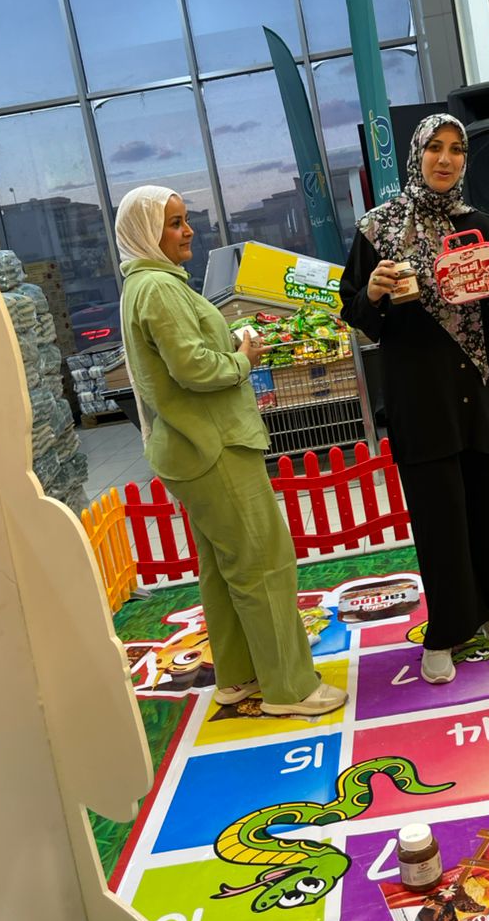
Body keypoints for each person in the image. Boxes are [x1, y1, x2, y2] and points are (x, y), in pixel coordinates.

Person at [115, 185, 347, 717]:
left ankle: (238, 676)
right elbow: (194, 368)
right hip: (213, 445)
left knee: (224, 570)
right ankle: (290, 688)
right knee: (264, 564)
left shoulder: (144, 285)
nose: (187, 230)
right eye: (174, 223)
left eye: (184, 219)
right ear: (147, 233)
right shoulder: (159, 288)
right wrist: (243, 358)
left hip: (192, 448)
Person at [339, 114, 489, 685]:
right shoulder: (378, 228)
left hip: (474, 384)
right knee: (439, 517)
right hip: (420, 392)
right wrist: (372, 294)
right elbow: (356, 313)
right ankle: (447, 630)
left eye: (457, 149)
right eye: (435, 148)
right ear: (416, 155)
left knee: (487, 504)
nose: (446, 159)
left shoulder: (478, 224)